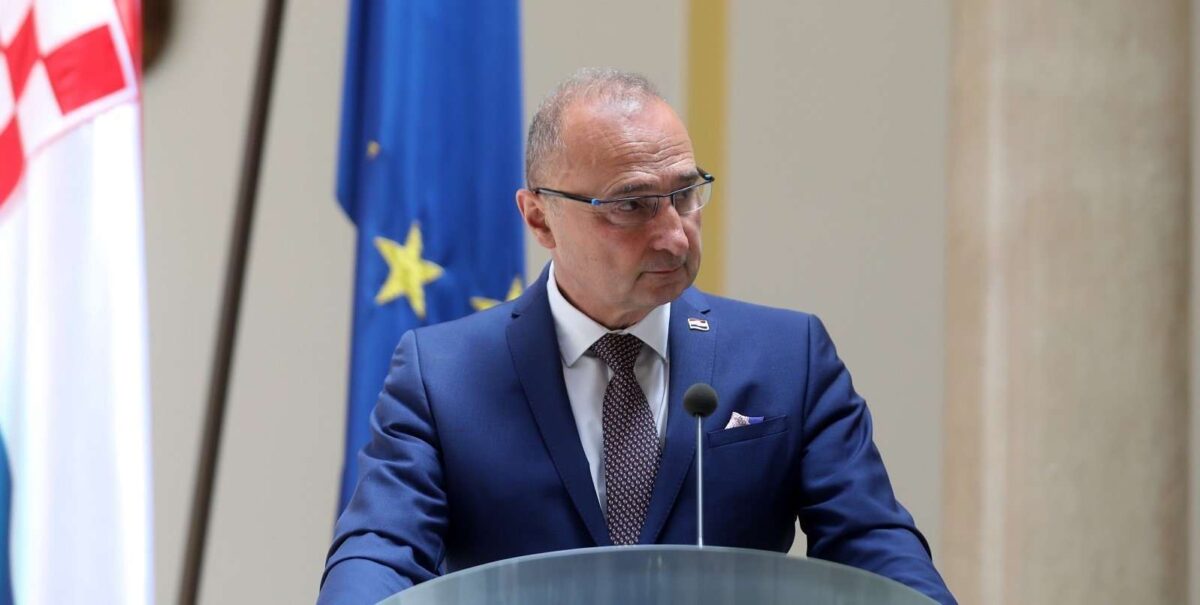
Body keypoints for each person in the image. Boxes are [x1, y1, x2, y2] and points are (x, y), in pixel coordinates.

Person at [317, 68, 956, 605]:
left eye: (686, 194)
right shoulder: (441, 374)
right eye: (632, 205)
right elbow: (381, 551)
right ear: (540, 218)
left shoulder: (790, 357)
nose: (675, 234)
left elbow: (873, 543)